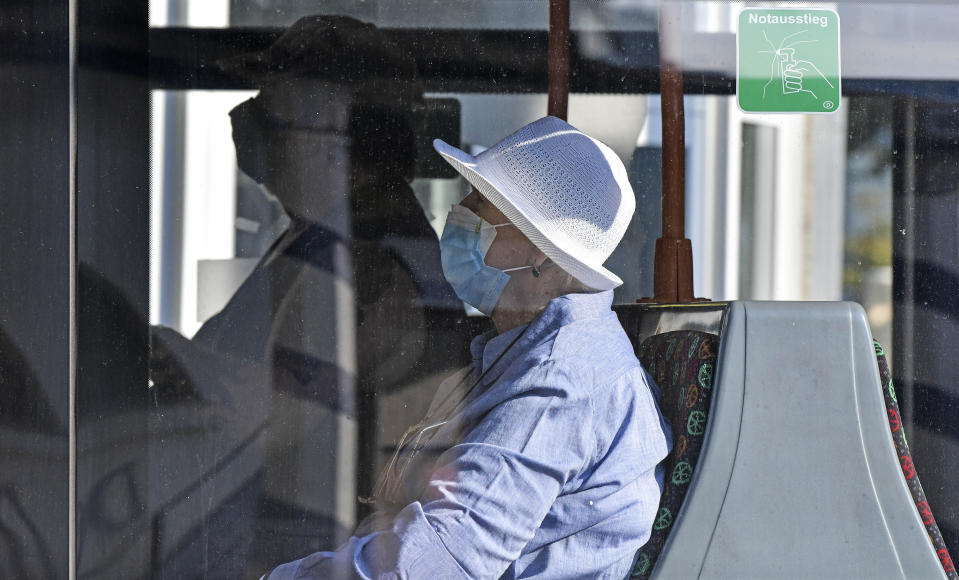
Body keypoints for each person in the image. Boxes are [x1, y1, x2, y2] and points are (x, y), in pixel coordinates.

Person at [265, 116, 671, 579]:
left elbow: (436, 560)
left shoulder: (561, 381)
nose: (456, 211)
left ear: (539, 249)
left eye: (479, 203)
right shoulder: (520, 355)